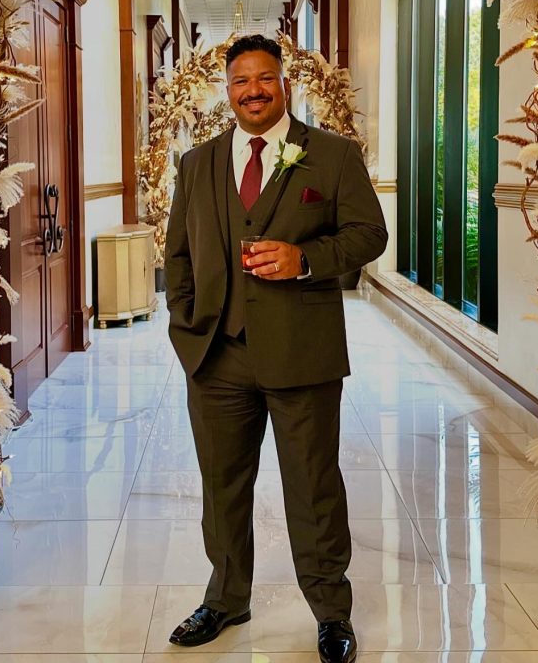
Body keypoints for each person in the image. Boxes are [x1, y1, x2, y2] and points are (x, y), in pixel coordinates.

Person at [164, 34, 388, 663]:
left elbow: (371, 233)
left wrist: (307, 260)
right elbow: (177, 253)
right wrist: (186, 325)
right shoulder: (197, 163)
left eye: (264, 78)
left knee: (314, 487)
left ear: (284, 83)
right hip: (216, 355)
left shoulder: (332, 155)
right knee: (222, 487)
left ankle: (331, 613)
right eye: (240, 81)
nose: (253, 91)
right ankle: (226, 598)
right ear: (227, 90)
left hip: (303, 355)